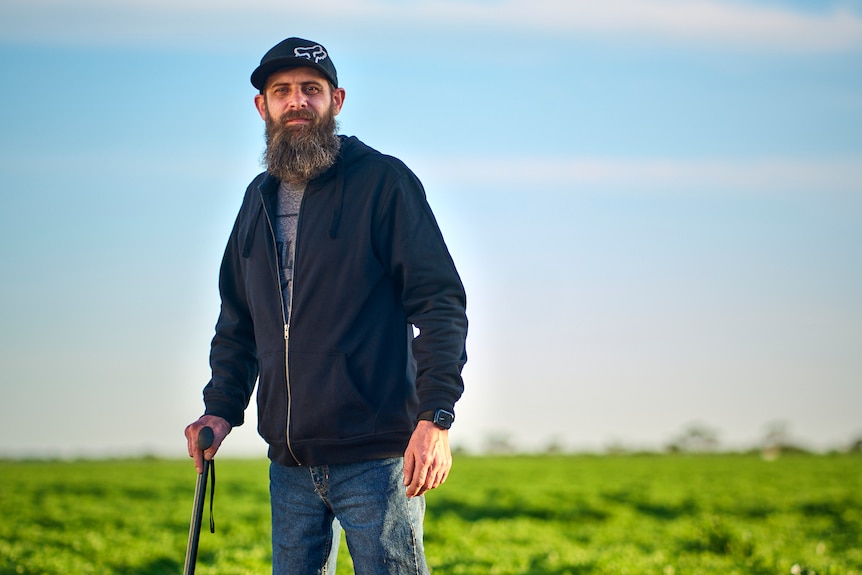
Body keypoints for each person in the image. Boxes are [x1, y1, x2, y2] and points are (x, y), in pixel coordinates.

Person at [184, 37, 468, 575]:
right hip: (290, 463)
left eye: (310, 90)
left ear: (336, 101)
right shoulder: (256, 200)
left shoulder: (383, 183)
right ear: (262, 106)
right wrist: (220, 408)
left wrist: (436, 416)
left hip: (379, 459)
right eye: (282, 91)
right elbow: (238, 322)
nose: (296, 101)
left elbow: (439, 303)